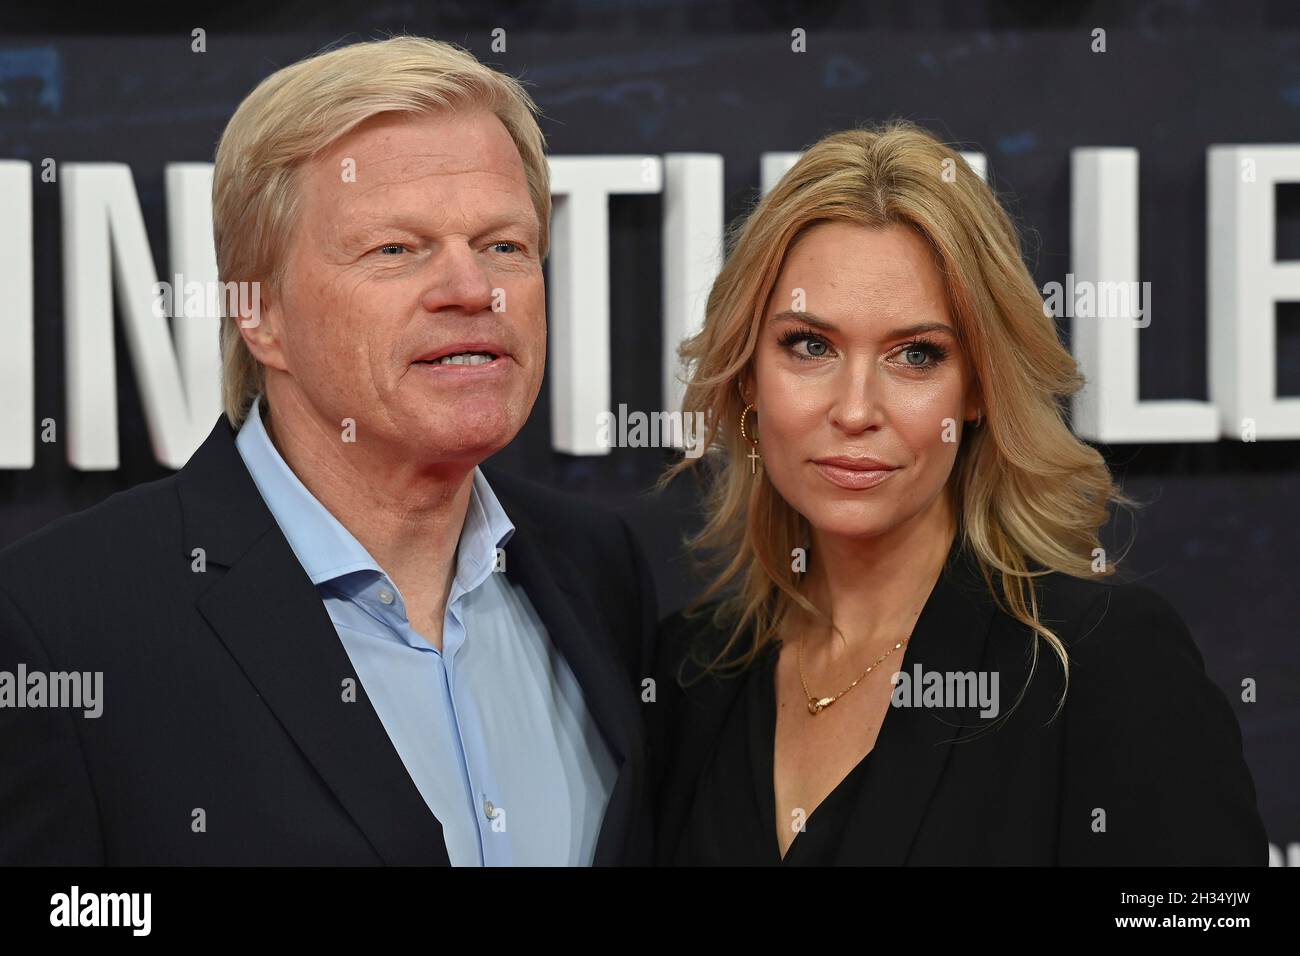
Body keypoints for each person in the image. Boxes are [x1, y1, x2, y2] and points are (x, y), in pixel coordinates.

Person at [0, 36, 656, 866]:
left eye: (504, 246)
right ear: (260, 313)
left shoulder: (602, 574)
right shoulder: (59, 623)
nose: (471, 289)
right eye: (395, 250)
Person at [650, 120, 1267, 865]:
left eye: (916, 355)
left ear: (977, 388)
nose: (854, 409)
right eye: (810, 345)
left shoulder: (1099, 660)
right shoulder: (690, 672)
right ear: (747, 374)